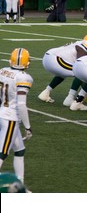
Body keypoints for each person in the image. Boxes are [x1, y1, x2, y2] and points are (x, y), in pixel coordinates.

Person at [0, 48, 33, 184]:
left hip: (2, 113)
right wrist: (28, 127)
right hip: (10, 118)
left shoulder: (2, 71)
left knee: (19, 150)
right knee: (2, 153)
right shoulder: (24, 77)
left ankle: (20, 185)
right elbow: (21, 105)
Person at [38, 34, 87, 105]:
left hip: (48, 57)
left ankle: (46, 92)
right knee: (81, 71)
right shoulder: (86, 45)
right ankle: (70, 98)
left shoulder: (79, 43)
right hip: (55, 60)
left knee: (63, 73)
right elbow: (80, 66)